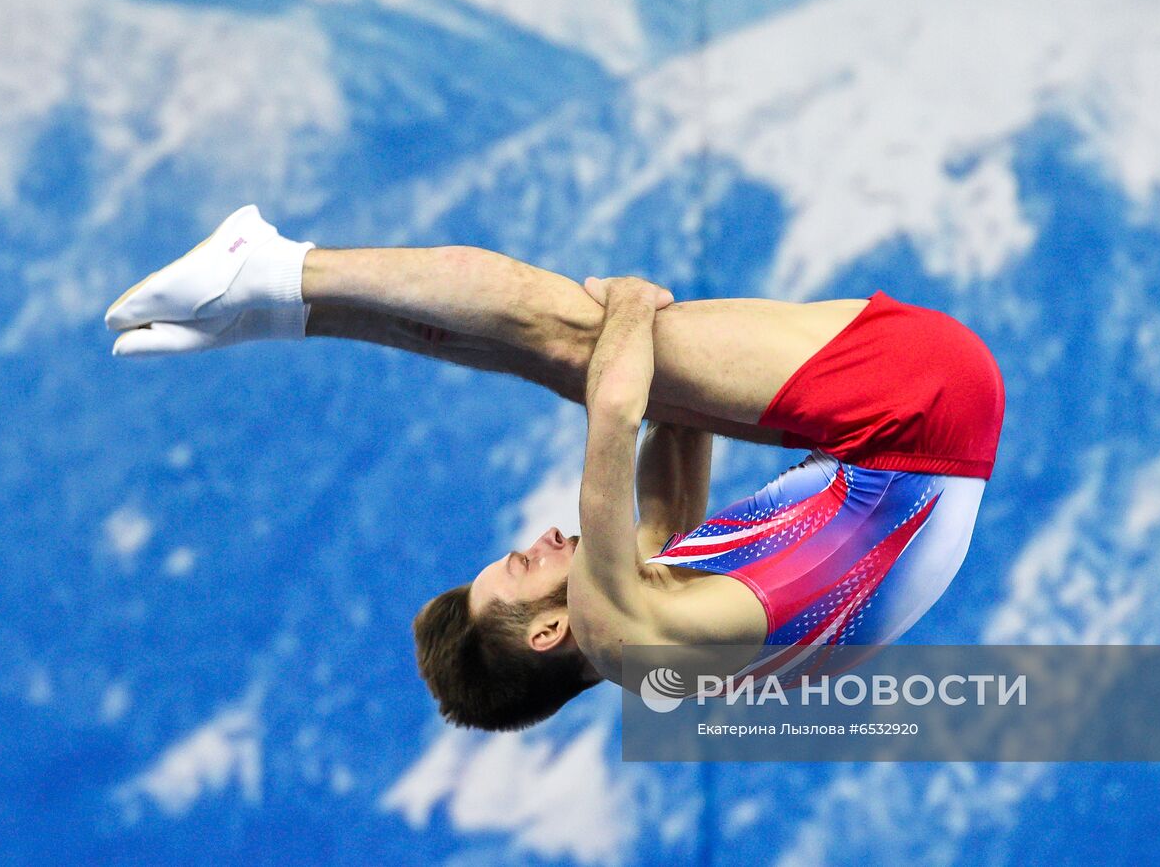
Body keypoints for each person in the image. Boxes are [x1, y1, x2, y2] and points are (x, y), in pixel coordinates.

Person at [105, 205, 1005, 731]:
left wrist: (645, 356)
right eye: (522, 567)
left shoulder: (647, 640)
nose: (536, 543)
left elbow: (668, 433)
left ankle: (276, 308)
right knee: (564, 329)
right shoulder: (624, 631)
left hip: (924, 438)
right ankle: (276, 269)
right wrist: (628, 309)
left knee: (563, 354)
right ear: (548, 634)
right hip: (915, 414)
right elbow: (616, 406)